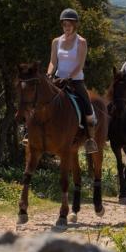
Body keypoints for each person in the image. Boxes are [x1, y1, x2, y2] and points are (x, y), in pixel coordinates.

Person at [49, 8, 99, 154]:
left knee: (87, 107)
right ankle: (30, 132)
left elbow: (80, 64)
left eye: (69, 24)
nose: (66, 27)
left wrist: (69, 77)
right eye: (64, 24)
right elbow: (53, 61)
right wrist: (49, 73)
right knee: (41, 99)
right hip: (58, 79)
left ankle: (90, 139)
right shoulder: (56, 41)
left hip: (75, 80)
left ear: (75, 25)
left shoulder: (81, 42)